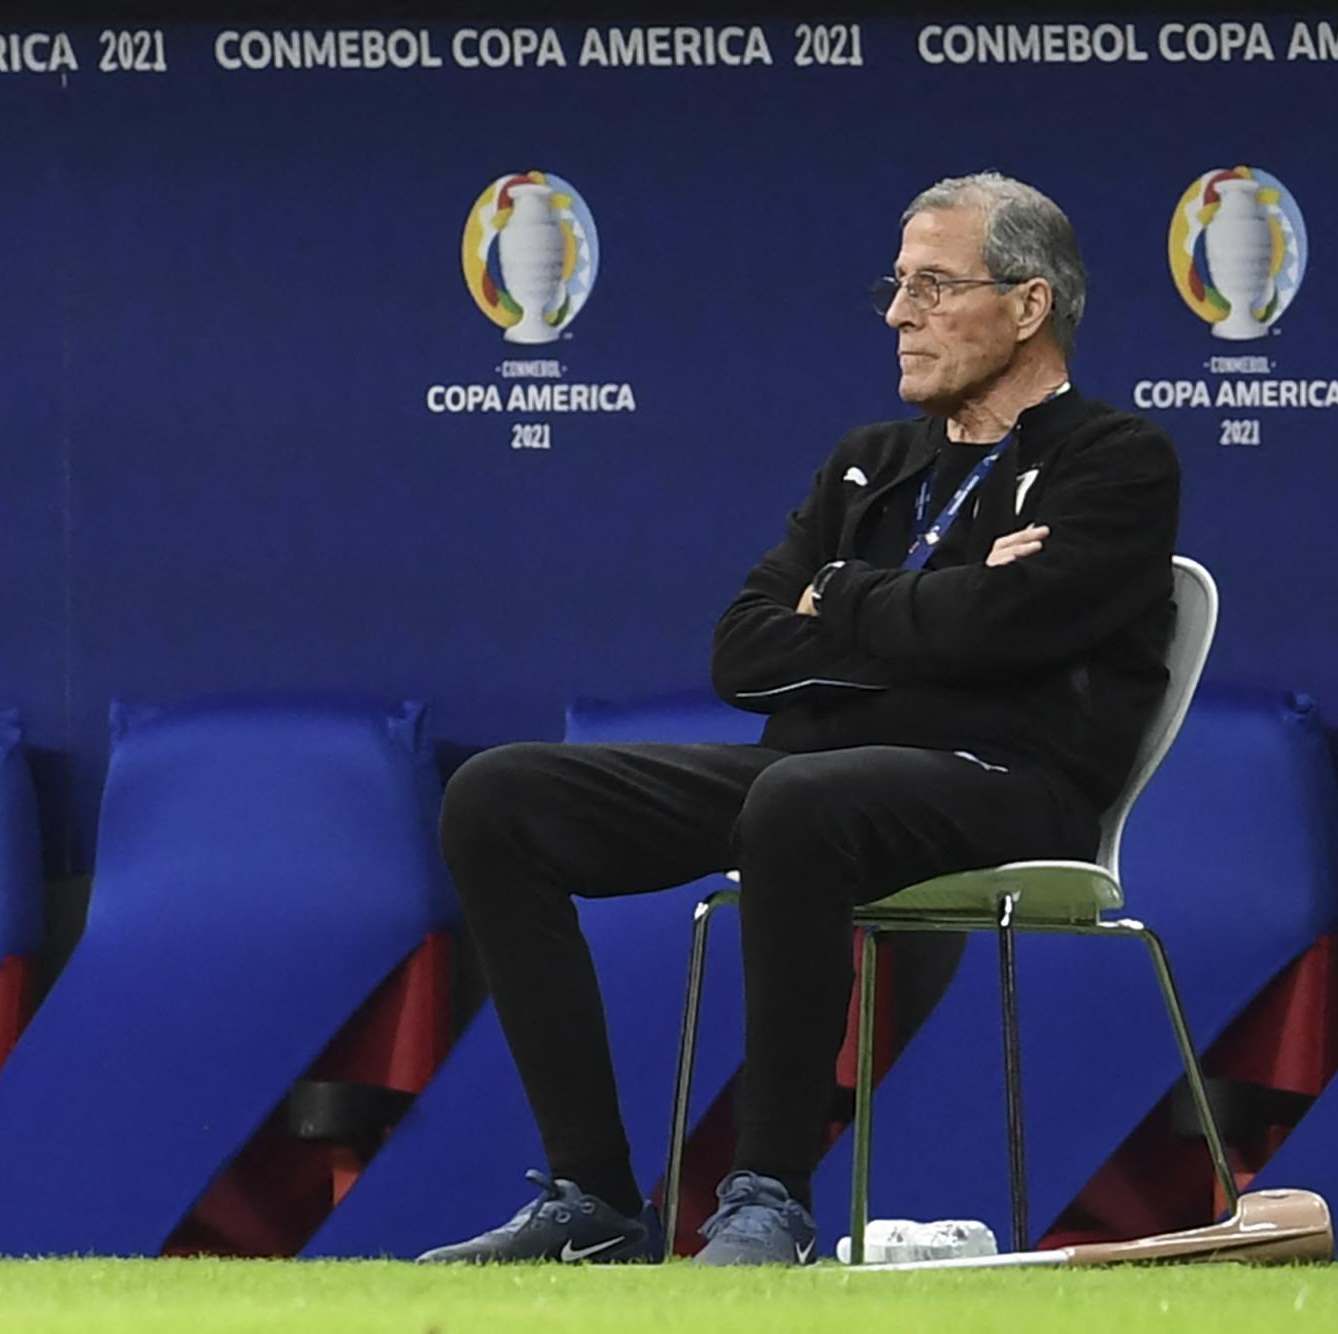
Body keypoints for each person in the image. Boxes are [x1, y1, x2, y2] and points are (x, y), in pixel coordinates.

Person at [420, 172, 1180, 1266]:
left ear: (1028, 305)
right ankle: (593, 1201)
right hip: (813, 774)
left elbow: (1012, 631)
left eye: (934, 285)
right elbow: (744, 649)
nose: (899, 312)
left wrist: (843, 599)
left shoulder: (1113, 460)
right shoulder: (870, 463)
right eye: (896, 284)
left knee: (797, 797)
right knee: (499, 798)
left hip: (1011, 782)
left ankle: (766, 1195)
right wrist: (938, 613)